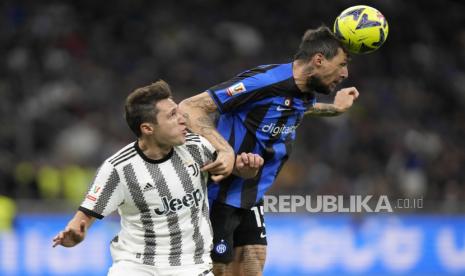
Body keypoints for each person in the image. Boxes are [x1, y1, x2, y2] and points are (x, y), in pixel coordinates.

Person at [179, 25, 360, 275]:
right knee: (217, 271)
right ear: (319, 60)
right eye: (341, 64)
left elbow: (295, 108)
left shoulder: (304, 89)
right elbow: (190, 107)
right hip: (217, 195)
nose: (345, 73)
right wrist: (225, 150)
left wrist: (333, 108)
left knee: (253, 265)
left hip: (250, 195)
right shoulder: (265, 82)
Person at [52, 80, 264, 276]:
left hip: (191, 266)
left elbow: (235, 170)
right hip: (136, 266)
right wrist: (76, 234)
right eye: (172, 115)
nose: (183, 120)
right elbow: (84, 217)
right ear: (147, 128)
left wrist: (248, 168)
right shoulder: (118, 169)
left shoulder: (197, 147)